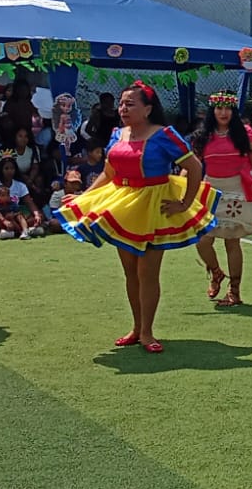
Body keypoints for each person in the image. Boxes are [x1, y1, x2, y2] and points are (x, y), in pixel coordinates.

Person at [55, 82, 218, 352]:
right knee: (130, 272)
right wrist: (84, 197)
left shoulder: (164, 134)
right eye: (122, 103)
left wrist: (185, 203)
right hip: (124, 205)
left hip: (154, 206)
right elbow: (109, 173)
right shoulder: (117, 134)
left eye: (130, 104)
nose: (123, 108)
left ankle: (147, 332)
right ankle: (136, 327)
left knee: (147, 272)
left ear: (148, 109)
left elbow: (194, 166)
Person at [193, 92, 252, 308]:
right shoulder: (203, 135)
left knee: (232, 240)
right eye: (219, 108)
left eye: (227, 108)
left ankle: (234, 291)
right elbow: (192, 166)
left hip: (237, 190)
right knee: (202, 240)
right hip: (211, 190)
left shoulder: (244, 133)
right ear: (212, 111)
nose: (223, 113)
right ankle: (216, 273)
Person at [0, 156, 43, 241]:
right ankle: (25, 231)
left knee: (37, 217)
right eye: (6, 168)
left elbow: (30, 203)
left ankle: (16, 232)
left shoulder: (20, 185)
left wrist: (37, 215)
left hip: (16, 215)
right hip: (1, 216)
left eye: (12, 168)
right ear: (0, 170)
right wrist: (4, 220)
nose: (10, 171)